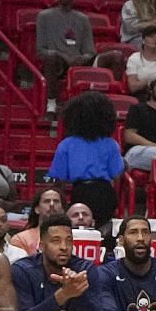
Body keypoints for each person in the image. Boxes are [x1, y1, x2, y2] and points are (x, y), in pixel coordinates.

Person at [49, 92, 124, 224]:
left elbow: (59, 180)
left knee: (80, 230)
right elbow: (116, 175)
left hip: (81, 191)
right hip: (105, 192)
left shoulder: (66, 144)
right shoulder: (111, 143)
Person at [35, 0, 95, 117]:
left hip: (79, 62)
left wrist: (82, 58)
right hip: (56, 61)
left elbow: (90, 51)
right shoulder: (44, 16)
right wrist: (62, 55)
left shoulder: (83, 19)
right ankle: (51, 103)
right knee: (50, 57)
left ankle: (108, 105)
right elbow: (40, 50)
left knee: (116, 56)